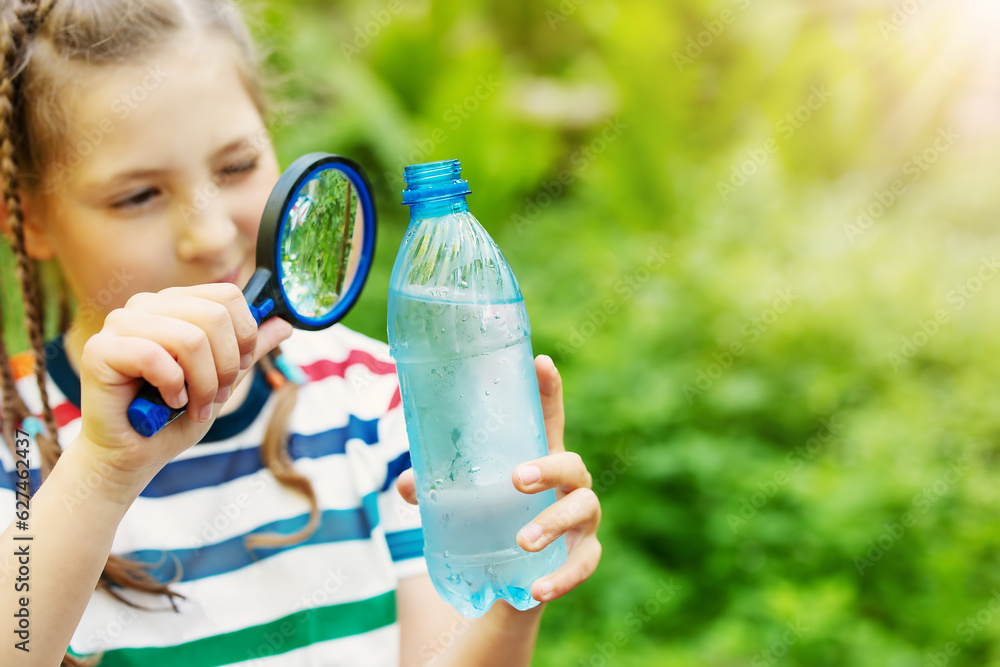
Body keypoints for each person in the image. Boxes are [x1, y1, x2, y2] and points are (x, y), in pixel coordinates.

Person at [0, 0, 602, 665]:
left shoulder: (376, 401)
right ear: (26, 219)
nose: (210, 233)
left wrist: (515, 584)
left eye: (235, 167)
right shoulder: (16, 448)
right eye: (138, 195)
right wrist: (103, 473)